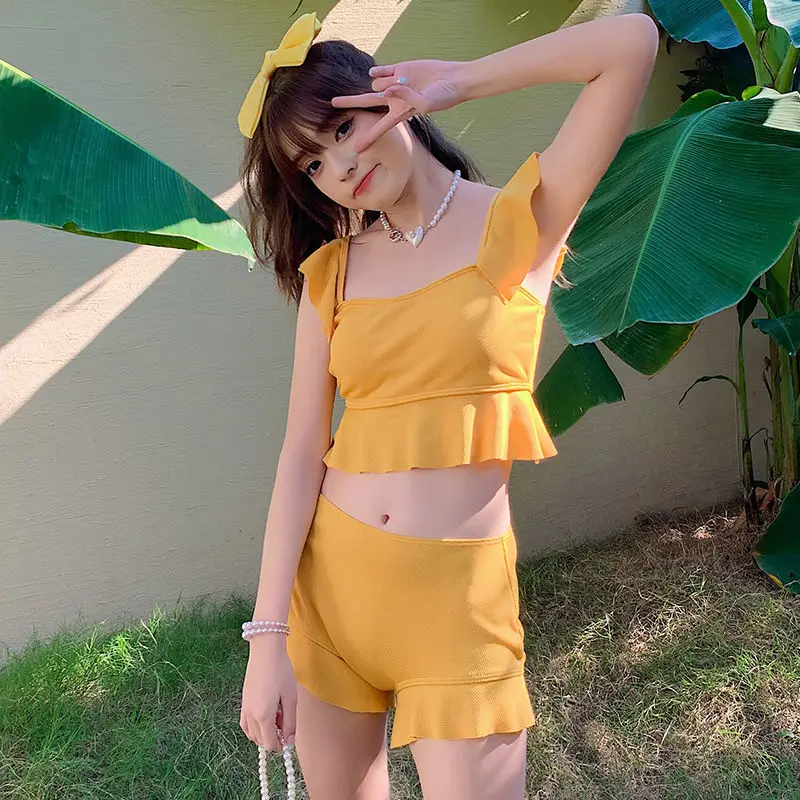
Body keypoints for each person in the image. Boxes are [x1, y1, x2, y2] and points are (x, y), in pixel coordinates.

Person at [237, 10, 658, 799]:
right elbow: (300, 456)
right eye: (314, 164)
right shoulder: (332, 274)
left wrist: (459, 82)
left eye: (343, 128)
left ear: (387, 96)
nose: (340, 165)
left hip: (457, 612)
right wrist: (268, 639)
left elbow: (629, 44)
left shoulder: (520, 221)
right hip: (332, 599)